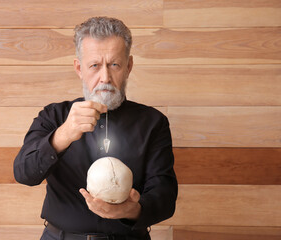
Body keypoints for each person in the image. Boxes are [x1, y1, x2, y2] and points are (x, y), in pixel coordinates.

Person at [14, 16, 178, 240]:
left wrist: (130, 210)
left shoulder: (153, 122)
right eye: (94, 65)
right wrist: (63, 134)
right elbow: (24, 173)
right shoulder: (54, 116)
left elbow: (165, 197)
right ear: (79, 68)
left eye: (114, 64)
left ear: (128, 66)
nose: (105, 77)